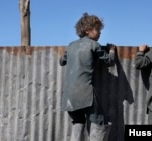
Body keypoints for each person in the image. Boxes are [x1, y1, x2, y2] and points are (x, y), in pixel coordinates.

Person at [59, 12, 116, 141]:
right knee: (99, 120)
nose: (100, 33)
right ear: (86, 31)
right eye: (97, 29)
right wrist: (111, 50)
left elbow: (62, 61)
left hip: (69, 95)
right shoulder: (93, 45)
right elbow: (110, 61)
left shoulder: (71, 45)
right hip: (86, 92)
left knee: (78, 121)